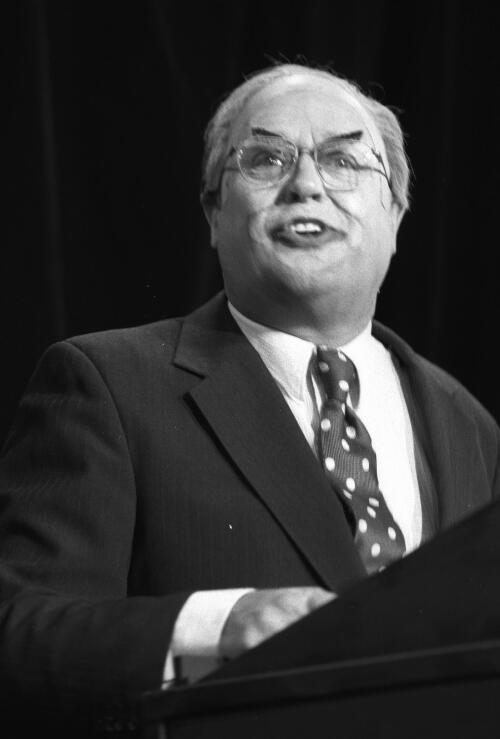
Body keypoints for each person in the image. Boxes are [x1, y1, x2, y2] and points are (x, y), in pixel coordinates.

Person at [0, 62, 499, 736]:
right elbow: (19, 628)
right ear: (213, 211)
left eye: (345, 159)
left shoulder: (470, 423)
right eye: (266, 158)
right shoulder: (106, 383)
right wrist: (219, 622)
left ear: (397, 213)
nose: (307, 185)